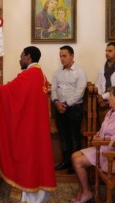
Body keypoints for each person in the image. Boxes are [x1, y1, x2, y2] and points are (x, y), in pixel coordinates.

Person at [0, 46, 56, 203]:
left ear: (28, 57)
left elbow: (5, 92)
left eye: (21, 56)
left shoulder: (29, 75)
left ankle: (29, 201)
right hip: (35, 127)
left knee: (27, 160)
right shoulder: (41, 75)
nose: (20, 59)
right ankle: (33, 198)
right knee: (35, 160)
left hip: (28, 128)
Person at [71, 86, 115, 203]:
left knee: (77, 161)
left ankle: (86, 193)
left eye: (111, 96)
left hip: (112, 152)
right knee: (74, 155)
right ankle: (83, 190)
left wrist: (104, 139)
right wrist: (98, 135)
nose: (108, 98)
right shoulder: (114, 110)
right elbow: (105, 129)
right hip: (104, 146)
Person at [51, 45, 87, 174]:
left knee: (74, 136)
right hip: (59, 108)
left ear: (72, 56)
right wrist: (56, 102)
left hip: (74, 108)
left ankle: (75, 163)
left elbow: (80, 91)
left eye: (64, 56)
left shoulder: (80, 72)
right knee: (63, 136)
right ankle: (65, 161)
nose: (62, 58)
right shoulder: (57, 72)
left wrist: (65, 104)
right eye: (60, 56)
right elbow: (53, 89)